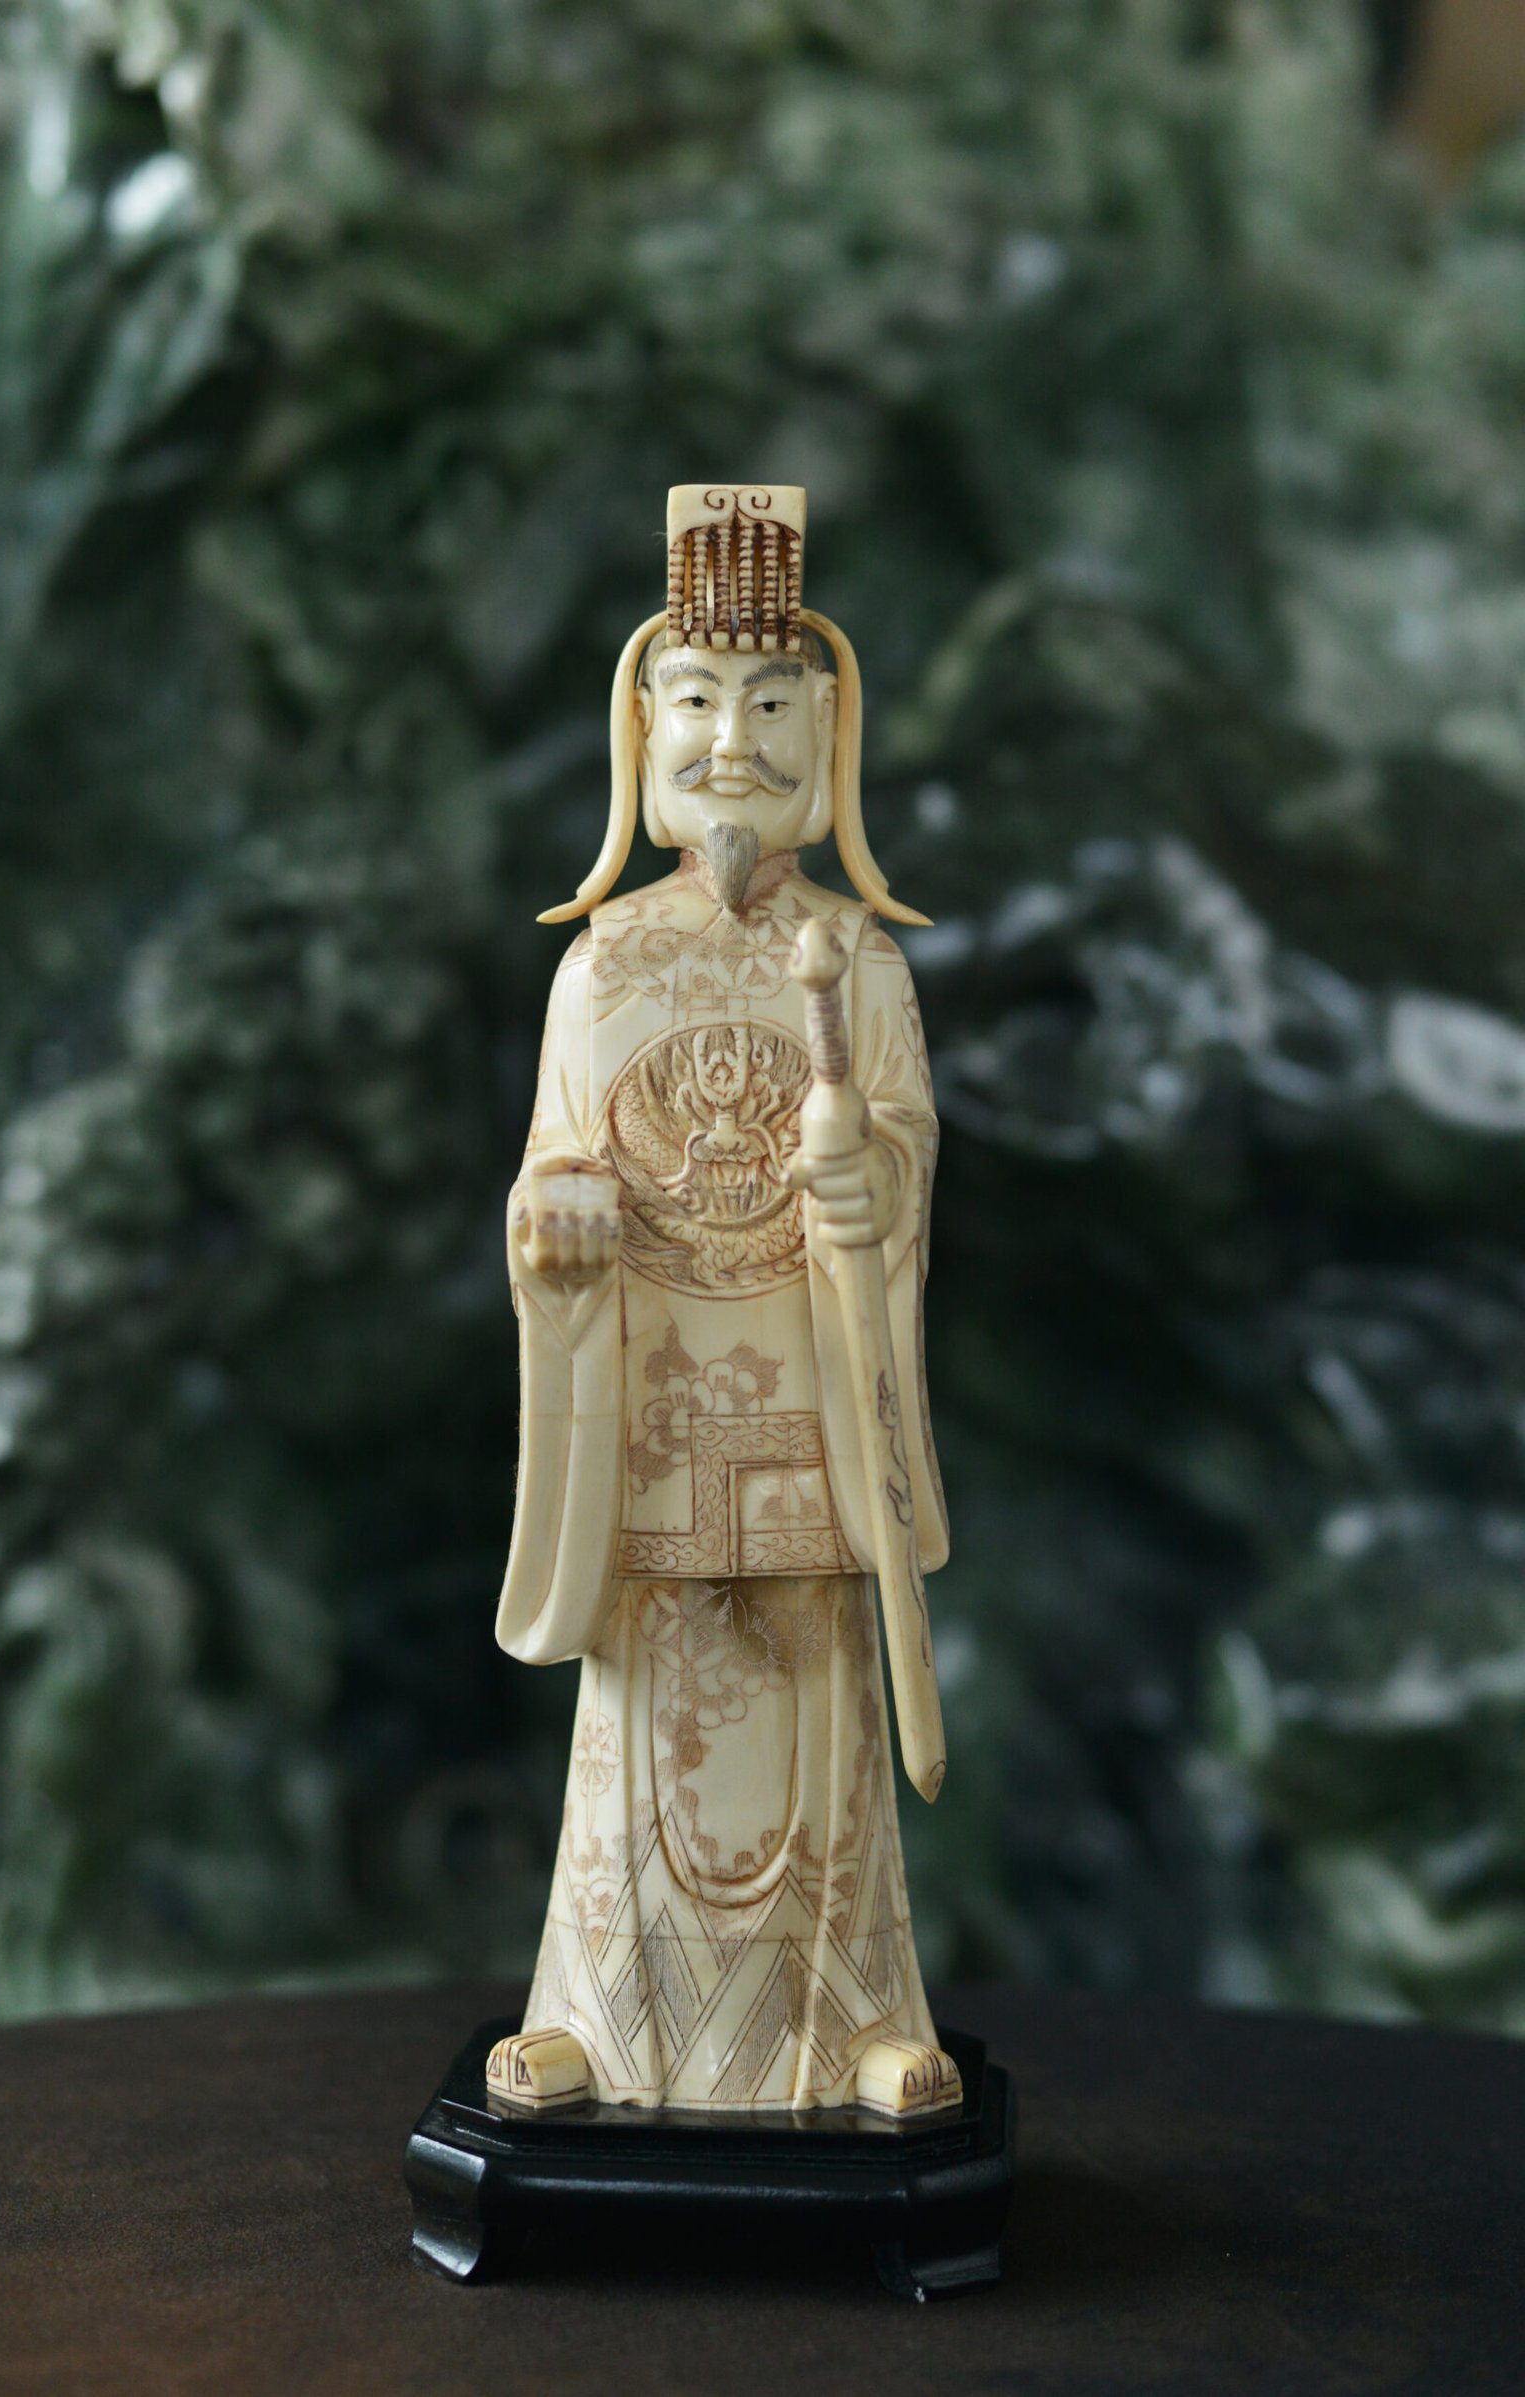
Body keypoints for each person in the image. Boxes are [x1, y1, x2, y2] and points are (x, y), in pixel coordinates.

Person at [486, 486, 957, 2114]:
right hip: (659, 1387)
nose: (731, 741)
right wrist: (554, 1225)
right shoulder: (604, 966)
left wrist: (876, 1182)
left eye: (770, 706)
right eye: (695, 700)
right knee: (638, 1735)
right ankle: (597, 2019)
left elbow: (905, 1151)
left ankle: (860, 2019)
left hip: (810, 1386)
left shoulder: (861, 963)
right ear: (641, 733)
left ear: (829, 736)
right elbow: (552, 1164)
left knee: (825, 1717)